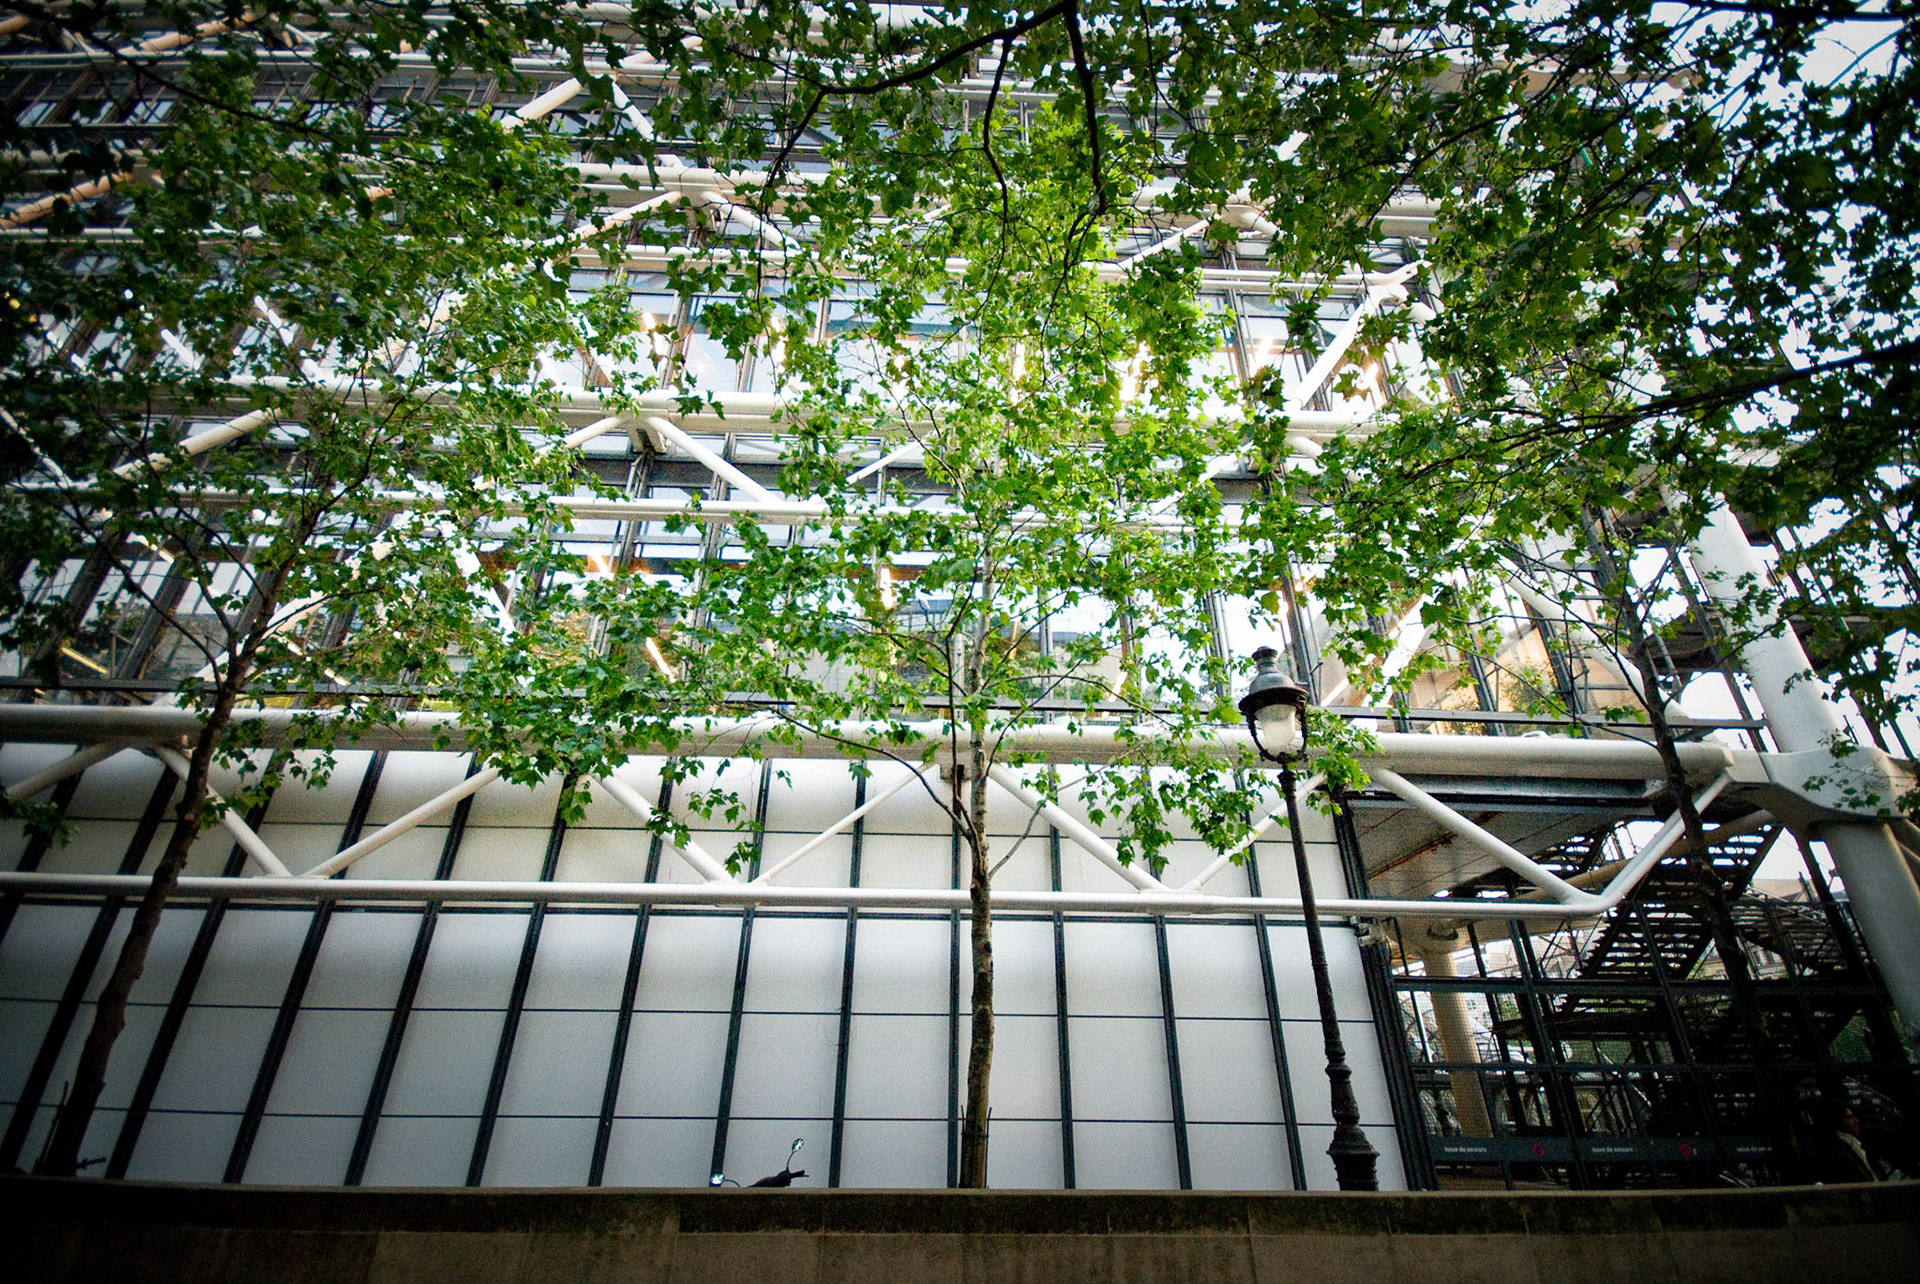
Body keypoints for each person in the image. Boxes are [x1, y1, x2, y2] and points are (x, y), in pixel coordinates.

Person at [1811, 1099, 1879, 1184]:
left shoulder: (1851, 1144)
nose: (1856, 1121)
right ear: (1836, 1122)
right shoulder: (1839, 1151)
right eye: (1849, 1118)